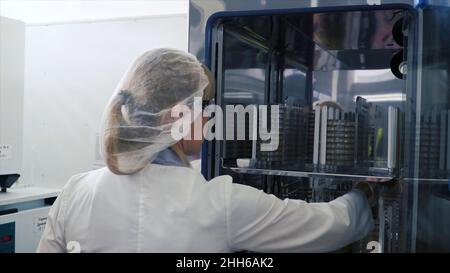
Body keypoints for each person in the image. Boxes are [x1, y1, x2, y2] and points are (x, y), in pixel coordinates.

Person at [37, 48, 375, 253]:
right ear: (177, 115)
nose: (213, 116)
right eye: (207, 105)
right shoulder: (218, 204)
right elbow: (329, 226)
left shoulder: (75, 192)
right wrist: (364, 193)